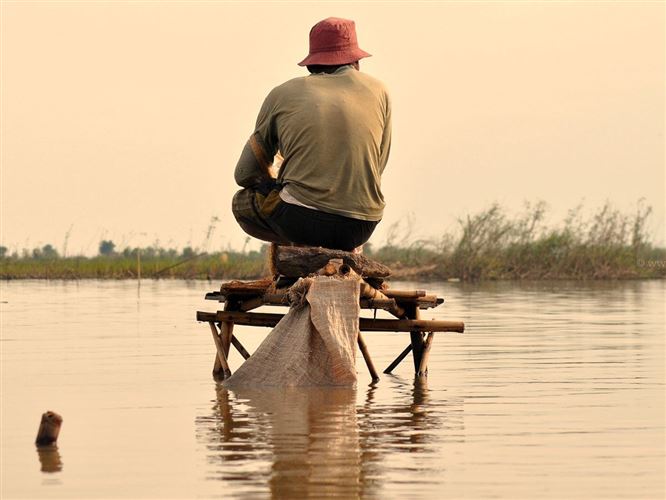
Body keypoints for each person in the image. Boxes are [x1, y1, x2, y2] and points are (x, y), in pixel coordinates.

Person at [232, 17, 392, 252]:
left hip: (301, 221)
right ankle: (328, 251)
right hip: (362, 226)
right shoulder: (379, 91)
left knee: (241, 202)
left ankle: (303, 248)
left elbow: (244, 173)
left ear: (312, 63)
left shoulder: (283, 94)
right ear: (356, 61)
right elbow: (378, 165)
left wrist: (276, 183)